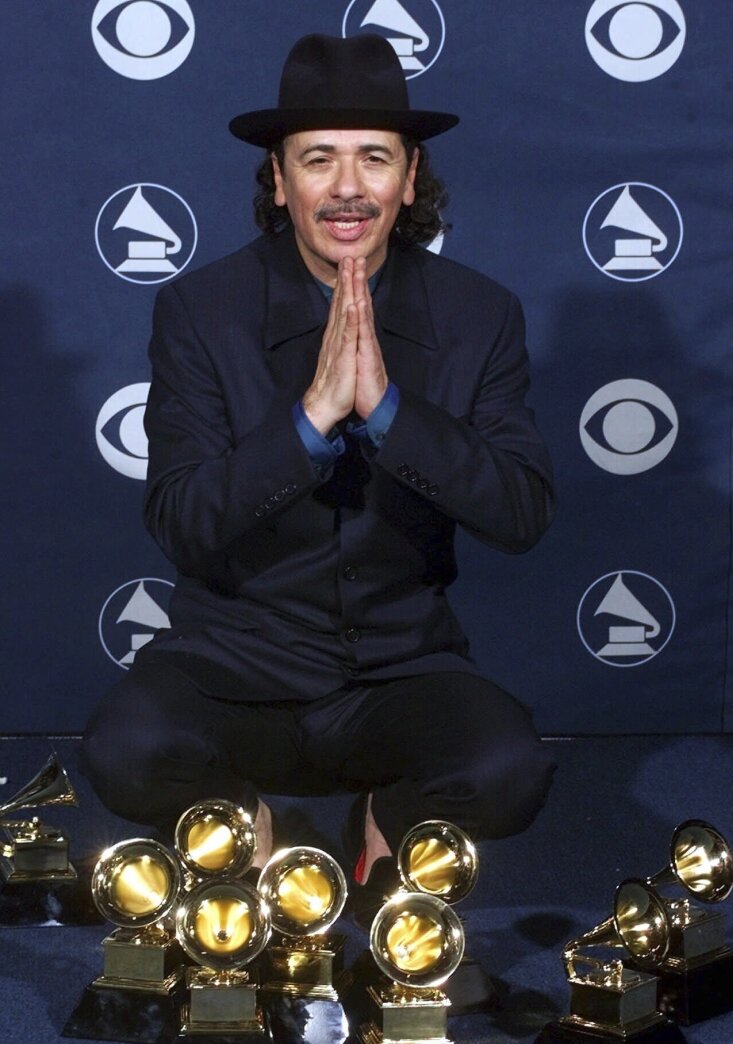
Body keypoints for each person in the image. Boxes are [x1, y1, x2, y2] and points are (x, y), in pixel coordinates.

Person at [81, 33, 556, 914]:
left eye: (374, 158)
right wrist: (307, 422)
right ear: (278, 180)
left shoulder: (480, 315)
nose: (347, 187)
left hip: (397, 673)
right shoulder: (198, 310)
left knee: (510, 768)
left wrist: (386, 411)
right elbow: (182, 520)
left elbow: (522, 511)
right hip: (234, 668)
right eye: (318, 160)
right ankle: (243, 820)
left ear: (409, 180)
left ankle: (383, 821)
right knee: (125, 749)